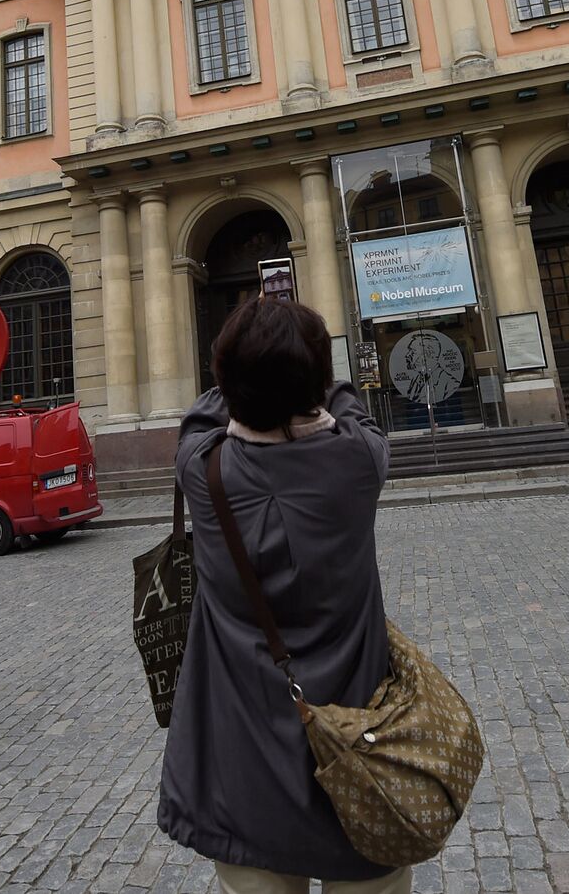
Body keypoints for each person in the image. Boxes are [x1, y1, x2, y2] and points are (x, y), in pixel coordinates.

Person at [158, 297, 407, 894]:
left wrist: (250, 378)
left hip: (244, 771)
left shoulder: (204, 470)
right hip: (363, 758)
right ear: (316, 384)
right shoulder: (359, 461)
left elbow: (201, 414)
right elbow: (353, 406)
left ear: (228, 382)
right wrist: (313, 381)